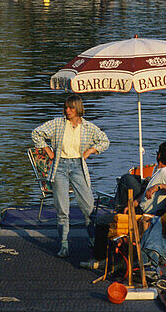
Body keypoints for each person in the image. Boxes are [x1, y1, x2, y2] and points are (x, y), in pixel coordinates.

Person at [82, 141, 166, 271]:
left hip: (144, 219)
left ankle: (99, 260)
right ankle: (118, 215)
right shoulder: (161, 172)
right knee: (127, 180)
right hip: (142, 211)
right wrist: (134, 203)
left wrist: (159, 186)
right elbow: (147, 192)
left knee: (101, 221)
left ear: (159, 156)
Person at [32, 96, 109, 257]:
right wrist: (48, 151)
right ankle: (64, 245)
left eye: (71, 108)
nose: (67, 111)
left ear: (78, 109)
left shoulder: (87, 127)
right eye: (66, 107)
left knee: (88, 206)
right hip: (60, 167)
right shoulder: (58, 123)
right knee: (62, 210)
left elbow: (104, 141)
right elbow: (36, 133)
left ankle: (93, 239)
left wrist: (90, 151)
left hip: (78, 166)